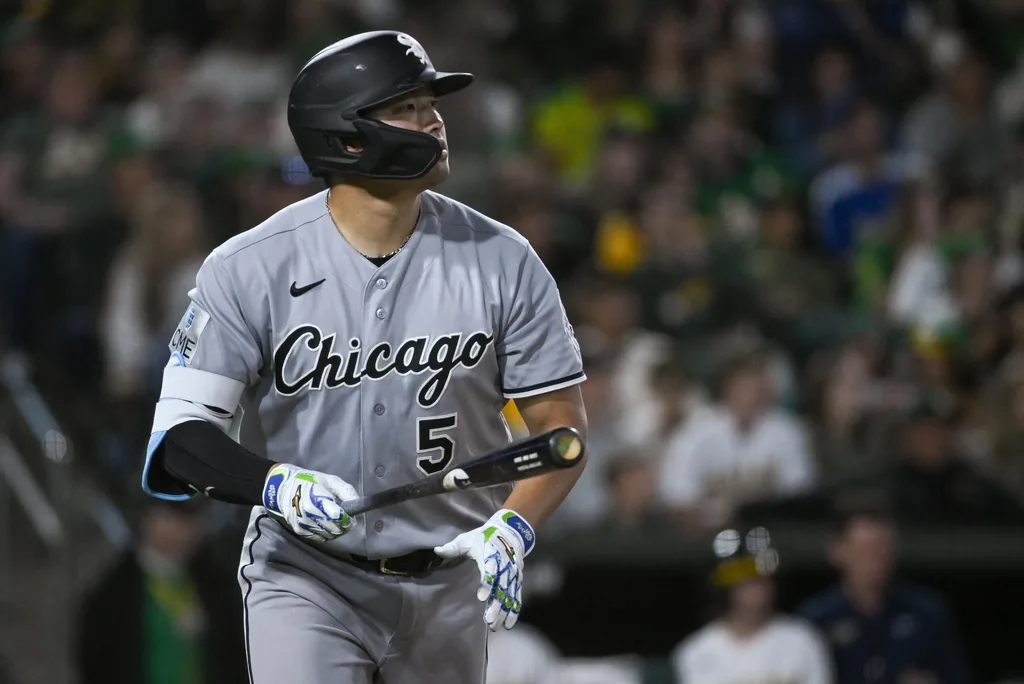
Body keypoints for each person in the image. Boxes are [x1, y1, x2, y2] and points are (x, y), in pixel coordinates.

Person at [140, 30, 588, 684]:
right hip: (305, 574)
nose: (432, 120)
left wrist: (514, 528)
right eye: (406, 108)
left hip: (449, 577)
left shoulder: (504, 260)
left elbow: (561, 431)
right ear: (345, 136)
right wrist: (276, 484)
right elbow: (180, 438)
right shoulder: (250, 266)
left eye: (430, 105)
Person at [75, 497, 247, 684]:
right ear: (147, 518)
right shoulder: (114, 593)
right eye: (174, 516)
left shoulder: (215, 584)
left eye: (193, 517)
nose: (185, 529)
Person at [798, 506, 970, 684]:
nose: (876, 563)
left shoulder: (927, 615)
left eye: (883, 552)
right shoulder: (815, 620)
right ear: (837, 551)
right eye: (866, 552)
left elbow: (955, 675)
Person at [672, 527, 833, 684]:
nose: (758, 589)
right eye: (748, 582)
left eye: (763, 580)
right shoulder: (696, 651)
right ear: (727, 588)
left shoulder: (802, 641)